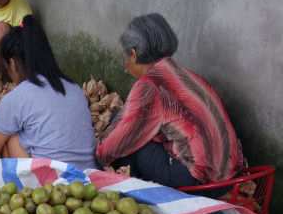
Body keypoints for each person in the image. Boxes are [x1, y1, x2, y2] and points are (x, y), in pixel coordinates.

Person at [96, 13, 244, 187]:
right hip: (230, 176)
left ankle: (130, 196)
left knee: (129, 146)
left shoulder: (149, 85)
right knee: (129, 122)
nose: (125, 67)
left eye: (126, 58)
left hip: (200, 182)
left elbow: (121, 140)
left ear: (134, 54)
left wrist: (96, 158)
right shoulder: (189, 76)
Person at [0, 16, 97, 172]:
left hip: (48, 185)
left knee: (10, 138)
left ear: (12, 63)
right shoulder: (73, 87)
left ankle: (19, 184)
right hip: (87, 176)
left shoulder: (16, 98)